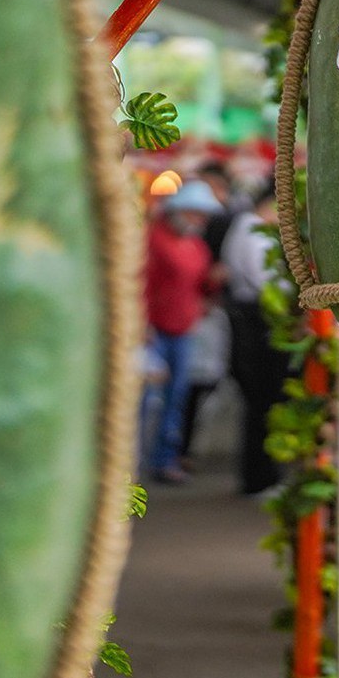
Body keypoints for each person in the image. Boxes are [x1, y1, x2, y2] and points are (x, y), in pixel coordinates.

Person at [141, 182, 223, 484]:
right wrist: (142, 323)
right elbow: (142, 283)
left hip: (183, 328)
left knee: (175, 397)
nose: (199, 220)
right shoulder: (154, 240)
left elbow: (201, 284)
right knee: (146, 399)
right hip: (154, 330)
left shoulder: (195, 246)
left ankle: (164, 459)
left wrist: (213, 283)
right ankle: (134, 463)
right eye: (194, 214)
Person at [221, 181, 286, 495]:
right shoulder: (252, 230)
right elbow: (265, 280)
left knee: (262, 404)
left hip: (256, 320)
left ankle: (262, 475)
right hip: (256, 323)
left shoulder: (246, 228)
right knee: (262, 402)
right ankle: (260, 477)